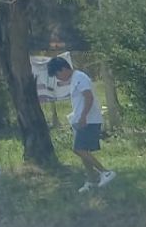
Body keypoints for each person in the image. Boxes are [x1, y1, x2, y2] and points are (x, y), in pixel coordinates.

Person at [47, 57, 115, 193]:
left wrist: (83, 116)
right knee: (83, 151)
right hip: (82, 120)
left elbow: (88, 97)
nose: (58, 78)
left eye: (57, 74)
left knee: (78, 149)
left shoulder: (80, 78)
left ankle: (105, 172)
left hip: (89, 120)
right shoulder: (74, 80)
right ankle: (91, 180)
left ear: (64, 69)